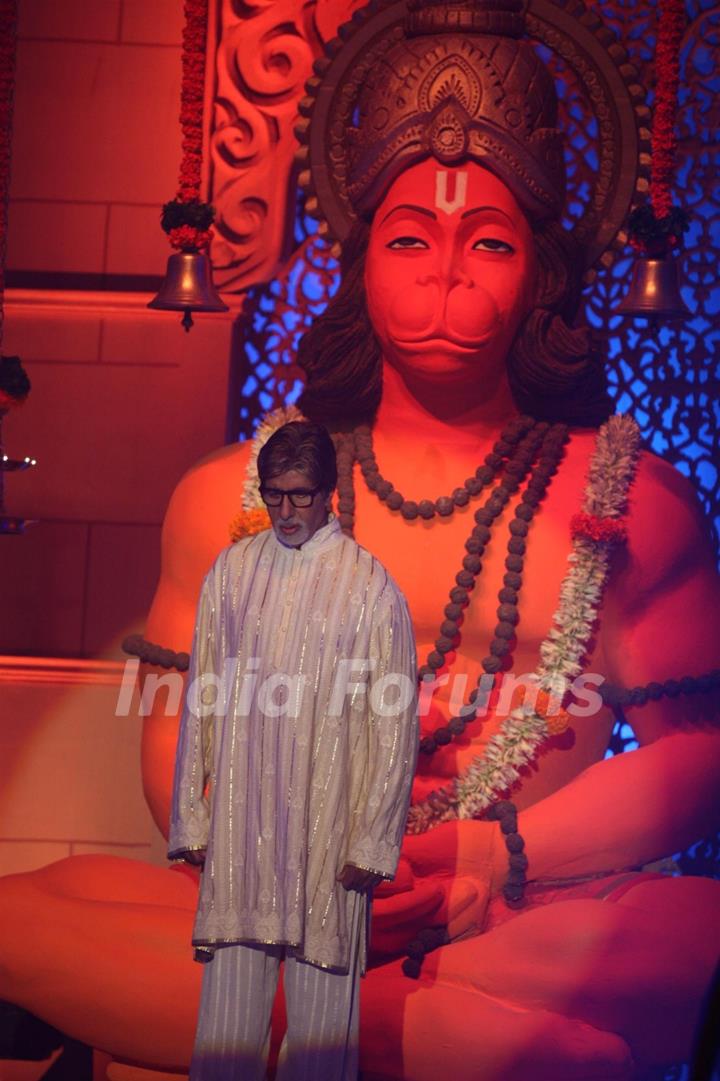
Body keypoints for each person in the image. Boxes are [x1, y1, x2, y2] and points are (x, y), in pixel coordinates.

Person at [0, 1, 718, 1078]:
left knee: (692, 930)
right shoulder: (234, 493)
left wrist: (480, 857)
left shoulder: (630, 500)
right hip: (275, 891)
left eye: (487, 240)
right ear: (357, 256)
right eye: (409, 238)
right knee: (29, 908)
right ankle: (403, 1028)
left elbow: (698, 755)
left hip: (522, 901)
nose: (445, 274)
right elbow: (177, 746)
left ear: (542, 271)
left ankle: (295, 1015)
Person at [169, 420, 418, 1081]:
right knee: (225, 1036)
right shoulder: (233, 570)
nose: (285, 510)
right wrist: (192, 817)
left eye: (300, 496)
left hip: (328, 838)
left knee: (321, 1046)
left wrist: (373, 840)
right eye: (273, 494)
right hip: (242, 830)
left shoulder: (370, 586)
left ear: (329, 493)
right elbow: (204, 696)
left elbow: (395, 722)